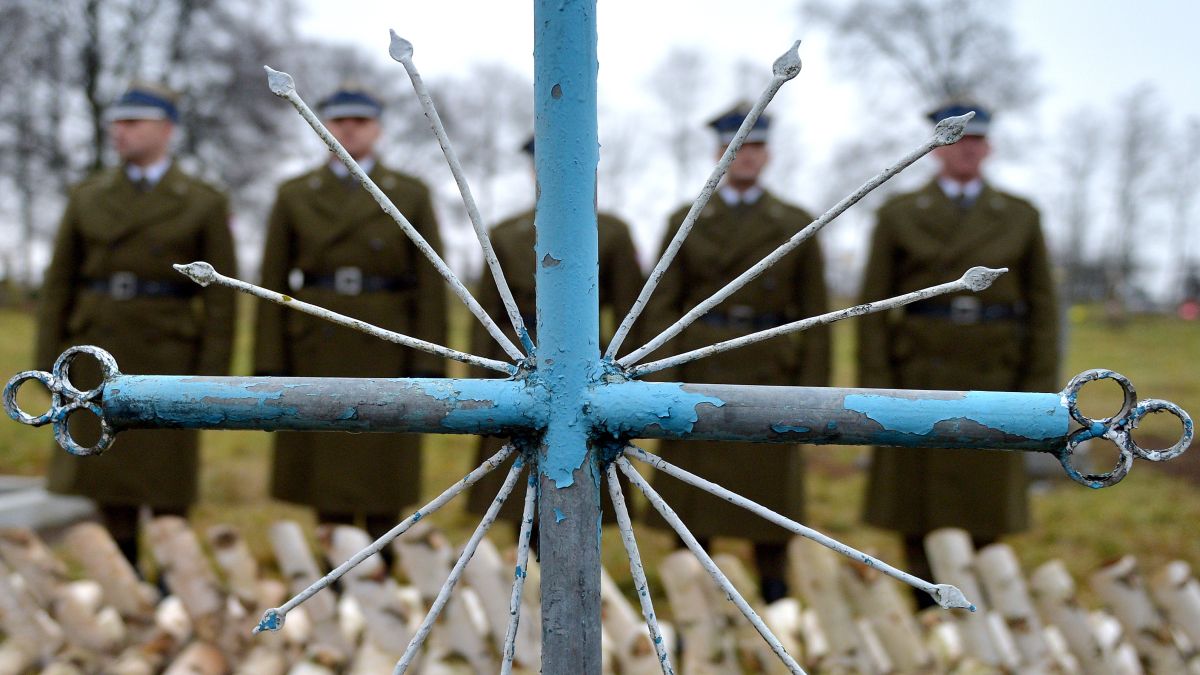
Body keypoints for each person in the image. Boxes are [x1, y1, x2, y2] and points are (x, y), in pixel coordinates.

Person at [856, 101, 1060, 604]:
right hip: (919, 373)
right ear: (940, 149)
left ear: (987, 149)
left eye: (977, 141)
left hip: (995, 372)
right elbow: (874, 306)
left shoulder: (1018, 215)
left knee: (986, 496)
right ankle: (924, 599)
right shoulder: (900, 214)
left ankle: (989, 599)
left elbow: (1042, 307)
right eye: (959, 141)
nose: (968, 150)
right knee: (918, 500)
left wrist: (1037, 391)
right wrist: (878, 386)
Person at [36, 82, 237, 565]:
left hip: (168, 350)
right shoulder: (88, 196)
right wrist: (48, 364)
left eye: (133, 123)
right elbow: (59, 284)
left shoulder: (201, 201)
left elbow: (221, 300)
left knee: (167, 476)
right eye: (116, 123)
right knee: (107, 474)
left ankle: (176, 581)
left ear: (166, 129)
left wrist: (212, 374)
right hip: (98, 347)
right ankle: (125, 578)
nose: (119, 132)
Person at [639, 103, 831, 603]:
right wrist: (665, 374)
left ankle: (776, 598)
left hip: (770, 370)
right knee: (693, 503)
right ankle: (691, 602)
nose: (745, 157)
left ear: (768, 156)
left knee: (768, 505)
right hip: (700, 371)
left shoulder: (794, 222)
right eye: (735, 147)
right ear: (718, 154)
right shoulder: (687, 220)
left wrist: (814, 391)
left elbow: (816, 315)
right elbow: (662, 301)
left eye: (755, 147)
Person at [254, 82, 447, 540]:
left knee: (384, 456)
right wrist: (270, 361)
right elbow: (272, 281)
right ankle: (332, 563)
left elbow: (430, 282)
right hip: (317, 338)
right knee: (325, 460)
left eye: (360, 122)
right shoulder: (295, 193)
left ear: (377, 129)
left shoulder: (410, 192)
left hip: (388, 337)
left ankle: (381, 560)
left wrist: (429, 359)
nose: (349, 130)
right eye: (339, 121)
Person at [464, 136, 644, 533]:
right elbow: (488, 313)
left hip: (589, 362)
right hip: (520, 368)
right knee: (518, 478)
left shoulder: (611, 232)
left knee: (585, 470)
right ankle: (526, 564)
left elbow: (633, 313)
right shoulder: (508, 233)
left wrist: (631, 383)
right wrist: (481, 380)